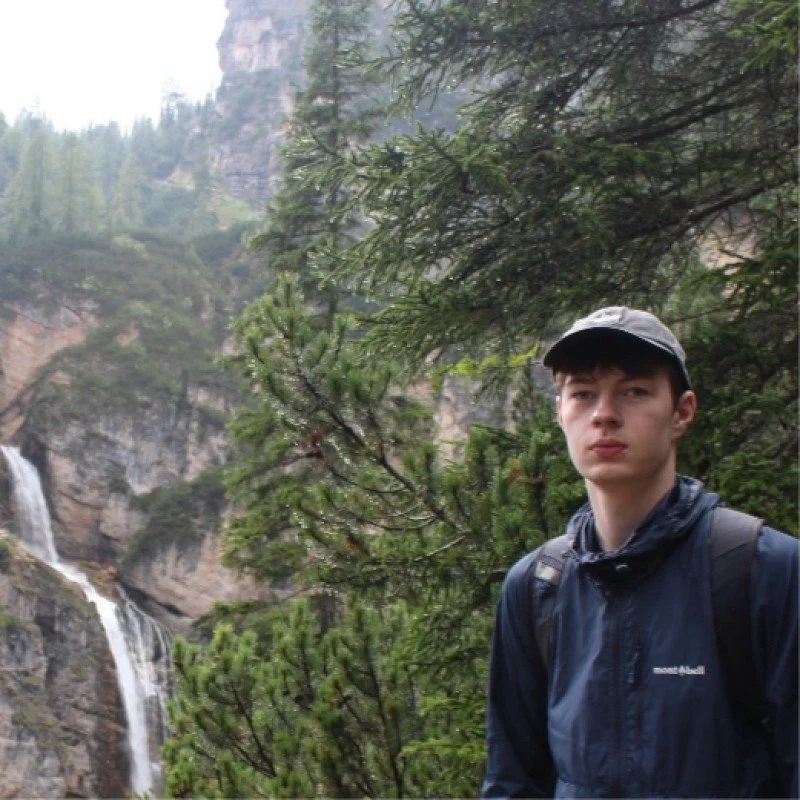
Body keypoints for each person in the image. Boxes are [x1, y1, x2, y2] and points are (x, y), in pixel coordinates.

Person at [482, 306, 798, 798]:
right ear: (559, 412)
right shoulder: (537, 587)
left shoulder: (764, 570)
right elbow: (512, 780)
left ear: (682, 412)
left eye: (634, 391)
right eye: (583, 393)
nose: (604, 414)